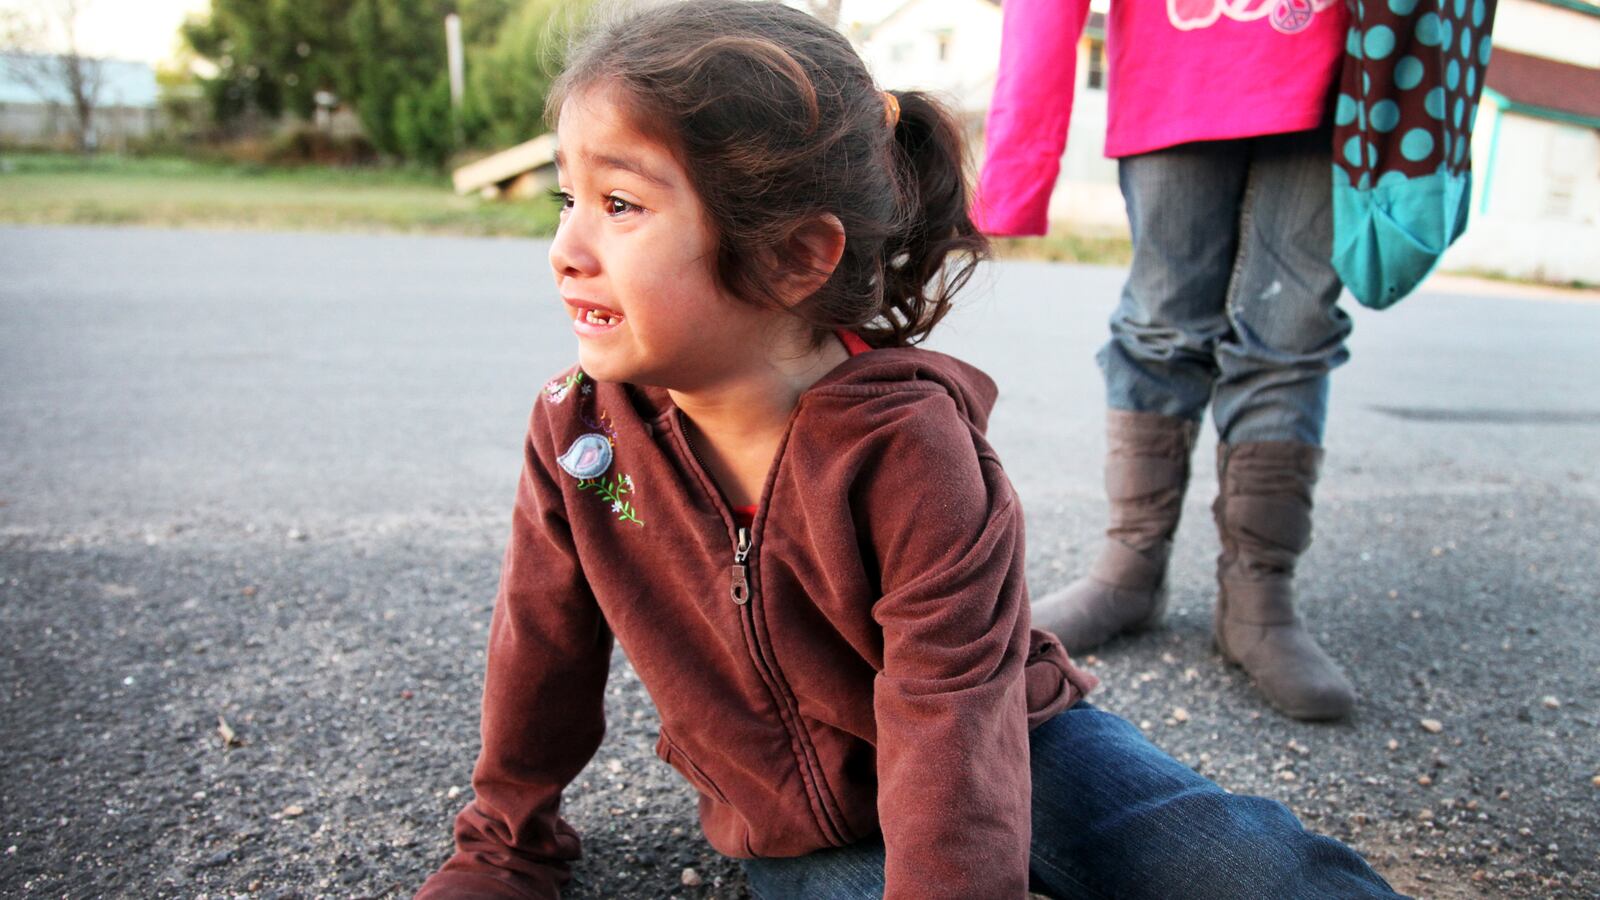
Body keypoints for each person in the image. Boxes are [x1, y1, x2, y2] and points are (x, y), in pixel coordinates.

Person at [417, 2, 1401, 897]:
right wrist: (505, 840)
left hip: (1016, 739)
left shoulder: (910, 451)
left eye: (619, 205)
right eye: (567, 197)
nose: (566, 246)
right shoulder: (579, 433)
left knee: (1251, 867)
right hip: (796, 824)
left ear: (797, 255)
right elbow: (540, 649)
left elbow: (953, 723)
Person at [977, 0, 1361, 721]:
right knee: (1160, 326)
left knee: (1292, 332)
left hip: (1339, 66)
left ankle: (1258, 595)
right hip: (1177, 64)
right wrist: (1015, 167)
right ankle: (1131, 566)